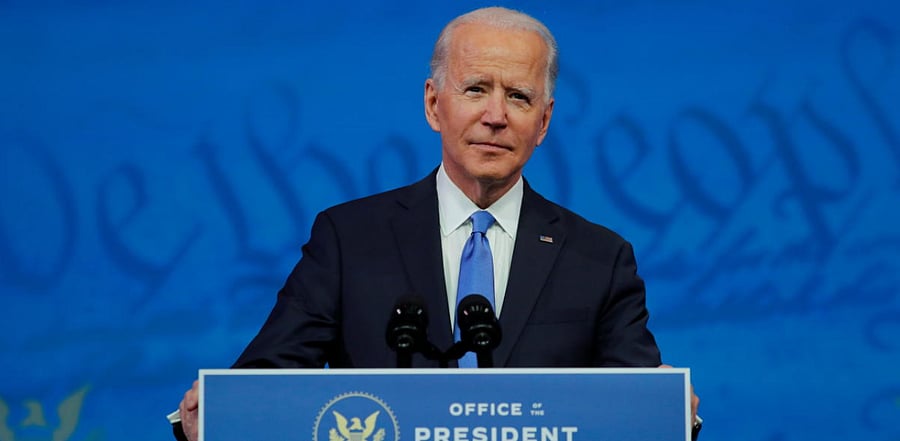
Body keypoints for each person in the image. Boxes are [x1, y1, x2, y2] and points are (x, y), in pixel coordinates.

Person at [174, 7, 699, 441]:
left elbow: (638, 405)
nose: (496, 115)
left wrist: (675, 413)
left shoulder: (599, 258)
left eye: (518, 96)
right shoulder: (350, 239)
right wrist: (212, 416)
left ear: (543, 123)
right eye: (475, 89)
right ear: (433, 104)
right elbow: (266, 382)